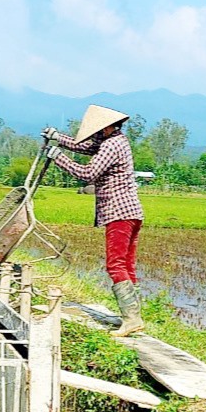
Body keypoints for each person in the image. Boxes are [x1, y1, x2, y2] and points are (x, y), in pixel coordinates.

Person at [42, 105, 145, 336]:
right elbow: (85, 147)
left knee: (115, 265)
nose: (96, 135)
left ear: (107, 127)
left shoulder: (111, 144)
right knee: (126, 265)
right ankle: (133, 317)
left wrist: (58, 157)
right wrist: (57, 137)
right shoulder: (116, 140)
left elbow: (87, 174)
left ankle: (131, 319)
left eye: (98, 130)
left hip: (118, 212)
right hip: (132, 212)